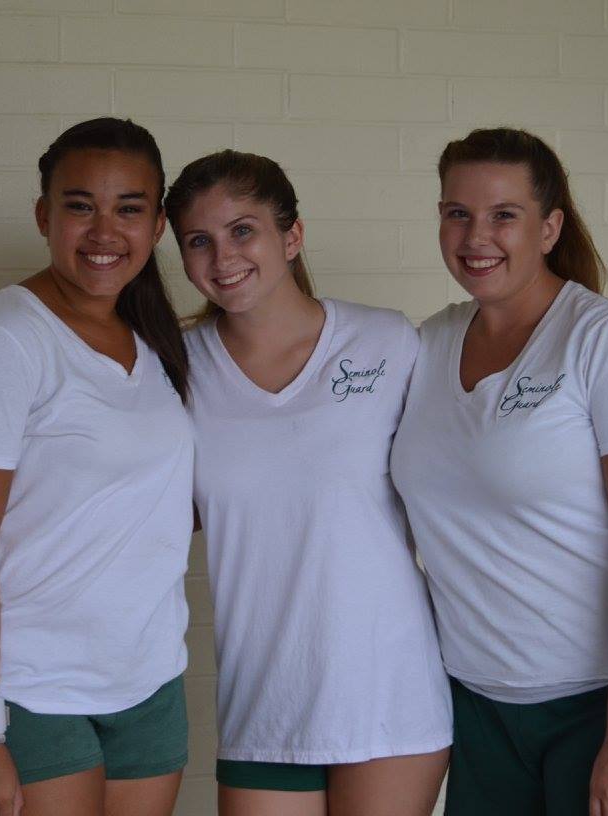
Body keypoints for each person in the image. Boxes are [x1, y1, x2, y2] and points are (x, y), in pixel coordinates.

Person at [390, 128, 608, 816]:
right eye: (457, 213)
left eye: (503, 214)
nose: (476, 236)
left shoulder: (604, 341)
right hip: (483, 701)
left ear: (549, 227)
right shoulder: (428, 343)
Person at [0, 117, 194, 816]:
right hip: (25, 687)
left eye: (129, 208)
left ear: (157, 224)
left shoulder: (150, 338)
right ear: (44, 216)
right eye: (80, 206)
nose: (105, 231)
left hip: (146, 679)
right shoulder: (4, 341)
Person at [165, 149, 452, 816]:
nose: (222, 257)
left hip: (391, 694)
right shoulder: (176, 367)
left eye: (243, 230)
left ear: (291, 236)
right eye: (198, 241)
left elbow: (454, 483)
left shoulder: (385, 342)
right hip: (263, 702)